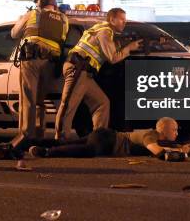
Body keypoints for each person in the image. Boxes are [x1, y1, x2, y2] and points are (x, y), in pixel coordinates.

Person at [54, 8, 142, 142]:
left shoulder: (102, 30)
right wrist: (129, 48)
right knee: (68, 105)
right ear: (112, 19)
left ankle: (99, 138)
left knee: (102, 103)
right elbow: (113, 58)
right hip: (78, 69)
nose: (124, 23)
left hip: (85, 73)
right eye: (121, 20)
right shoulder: (105, 32)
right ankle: (60, 139)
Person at [9, 0, 69, 151]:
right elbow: (62, 40)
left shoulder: (33, 14)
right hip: (50, 62)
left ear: (39, 3)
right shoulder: (64, 19)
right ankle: (39, 134)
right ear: (54, 4)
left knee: (28, 99)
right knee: (40, 101)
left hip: (32, 59)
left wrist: (21, 19)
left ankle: (25, 136)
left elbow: (14, 33)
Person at [30, 117, 186, 160]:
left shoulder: (154, 136)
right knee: (84, 151)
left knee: (68, 143)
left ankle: (33, 142)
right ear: (164, 130)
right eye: (174, 129)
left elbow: (160, 147)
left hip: (106, 135)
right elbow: (158, 152)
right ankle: (46, 152)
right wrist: (180, 154)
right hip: (108, 141)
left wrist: (178, 148)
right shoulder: (151, 136)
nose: (177, 133)